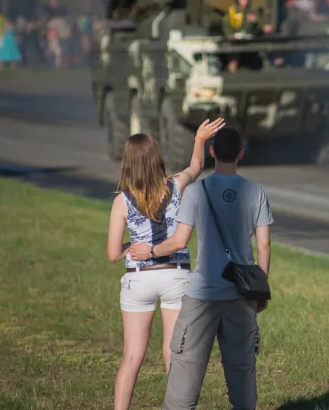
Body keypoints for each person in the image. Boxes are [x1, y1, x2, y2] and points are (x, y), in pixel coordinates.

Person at [129, 127, 273, 410]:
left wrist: (151, 251)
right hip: (241, 296)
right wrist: (260, 289)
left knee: (184, 379)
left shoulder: (196, 192)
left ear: (212, 152)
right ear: (241, 155)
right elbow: (264, 247)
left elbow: (180, 240)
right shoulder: (256, 192)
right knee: (243, 376)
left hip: (202, 297)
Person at [106, 118, 226, 410]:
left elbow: (112, 254)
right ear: (156, 158)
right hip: (175, 276)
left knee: (132, 357)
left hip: (139, 277)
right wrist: (199, 139)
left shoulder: (122, 201)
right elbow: (195, 167)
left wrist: (132, 249)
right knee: (173, 352)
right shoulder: (175, 186)